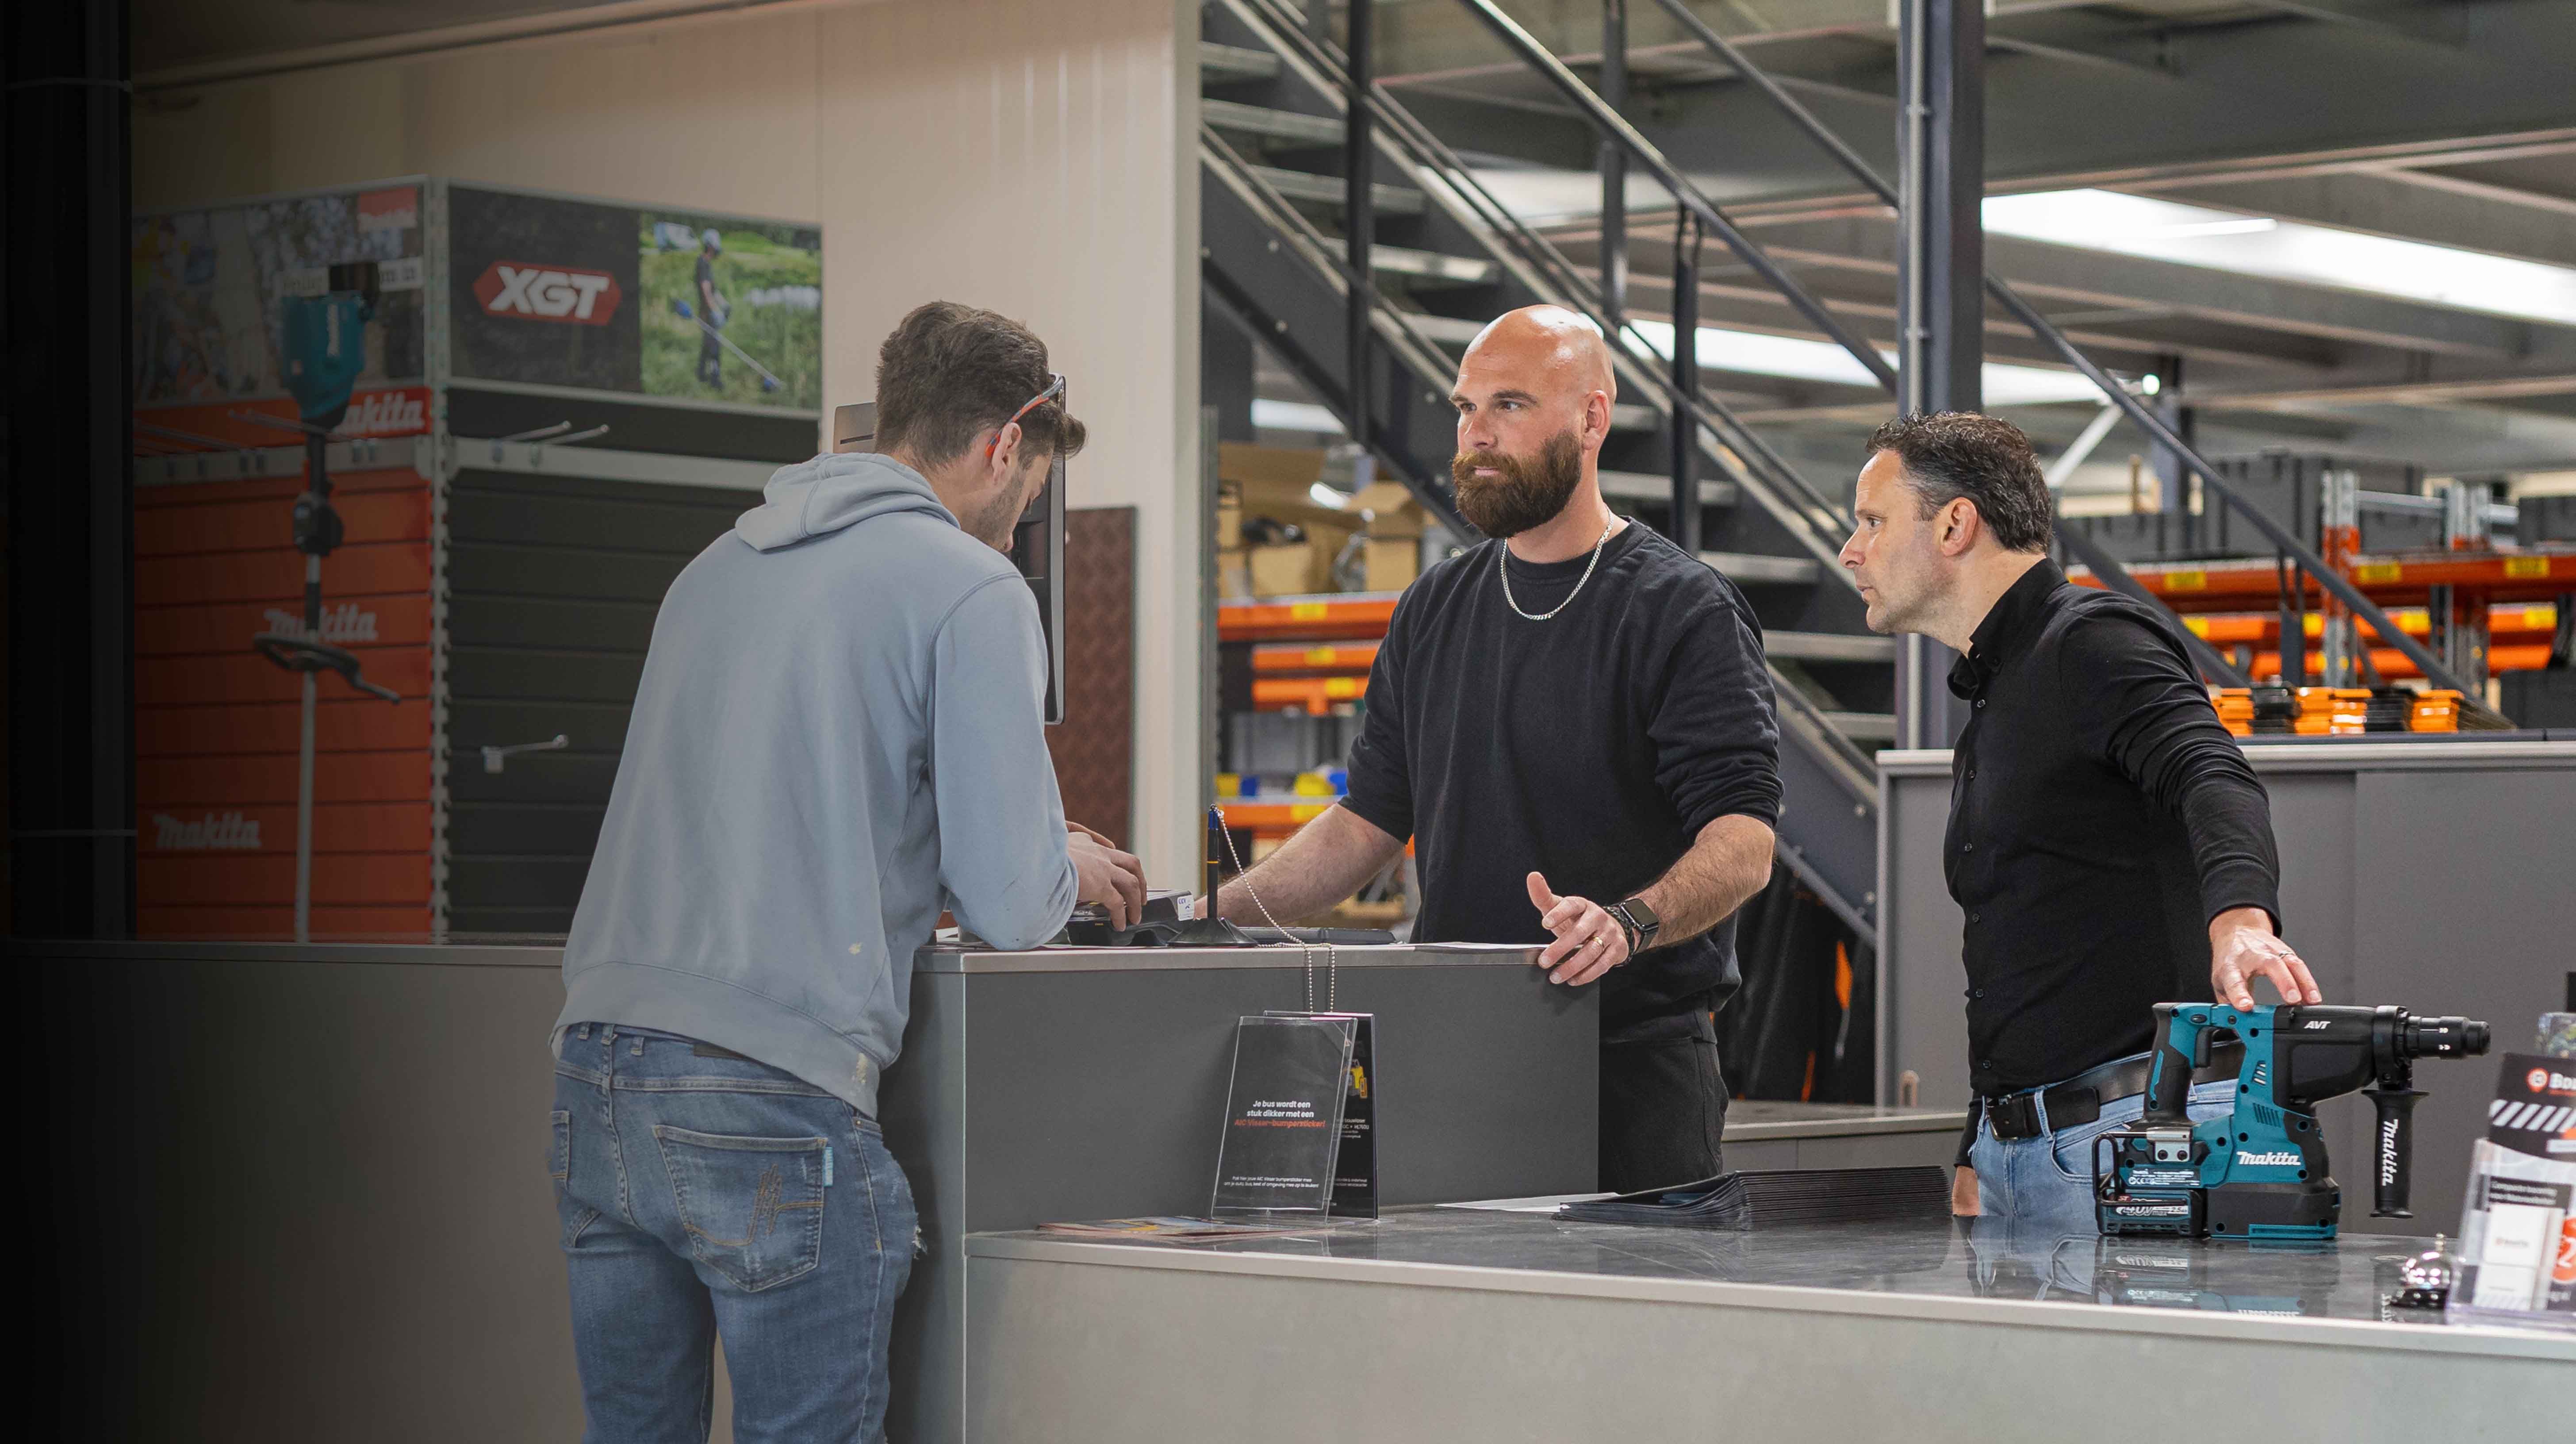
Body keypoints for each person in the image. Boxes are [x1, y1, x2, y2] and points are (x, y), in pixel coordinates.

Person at [548, 300, 1146, 1443]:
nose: (1024, 519)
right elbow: (1014, 906)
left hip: (598, 1081)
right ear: (1006, 444)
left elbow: (777, 812)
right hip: (768, 1094)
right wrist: (1060, 862)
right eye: (1032, 488)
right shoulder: (971, 587)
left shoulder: (714, 569)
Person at [1211, 305, 1782, 1194]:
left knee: (1633, 1290)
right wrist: (1207, 917)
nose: (1474, 434)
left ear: (1590, 419)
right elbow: (1365, 822)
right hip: (1457, 1057)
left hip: (1627, 1072)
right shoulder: (1433, 608)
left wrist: (1627, 922)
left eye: (1508, 405)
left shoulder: (1679, 609)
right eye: (1464, 407)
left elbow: (1744, 840)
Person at [1836, 411, 2321, 1233]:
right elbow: (2021, 950)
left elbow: (2209, 769)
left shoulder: (2090, 642)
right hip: (2026, 1150)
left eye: (1873, 521)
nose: (1852, 551)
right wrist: (1979, 1138)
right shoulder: (1997, 695)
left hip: (2128, 1142)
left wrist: (2240, 920)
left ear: (1954, 525)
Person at [695, 227, 725, 388]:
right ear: (710, 246)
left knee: (708, 344)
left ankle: (701, 373)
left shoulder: (705, 263)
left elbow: (713, 290)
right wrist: (715, 311)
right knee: (715, 347)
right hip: (707, 313)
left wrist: (724, 304)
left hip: (707, 311)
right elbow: (706, 292)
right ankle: (715, 380)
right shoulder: (703, 265)